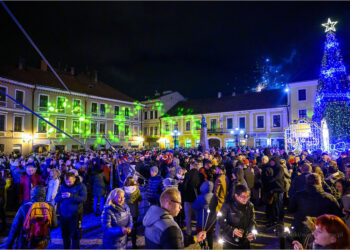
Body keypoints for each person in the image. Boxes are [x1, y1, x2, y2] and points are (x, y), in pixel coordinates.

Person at [288, 173, 342, 243]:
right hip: (322, 230)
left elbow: (290, 209)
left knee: (303, 245)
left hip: (301, 228)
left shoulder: (298, 195)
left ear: (307, 182)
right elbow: (337, 214)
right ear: (320, 183)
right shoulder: (329, 197)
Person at [55, 172, 87, 249]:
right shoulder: (63, 186)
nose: (68, 183)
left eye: (70, 181)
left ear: (74, 179)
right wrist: (61, 197)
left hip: (75, 215)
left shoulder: (81, 186)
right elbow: (56, 198)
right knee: (65, 235)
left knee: (75, 235)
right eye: (67, 182)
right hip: (63, 215)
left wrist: (71, 196)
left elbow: (83, 199)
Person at [219, 184, 256, 249]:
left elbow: (252, 221)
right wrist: (232, 230)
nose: (245, 199)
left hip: (245, 241)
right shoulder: (227, 205)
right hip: (229, 242)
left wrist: (251, 233)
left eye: (247, 196)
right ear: (236, 196)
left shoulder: (250, 206)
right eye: (243, 196)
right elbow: (221, 221)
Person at [192, 181, 214, 249]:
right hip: (211, 221)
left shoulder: (201, 197)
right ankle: (210, 247)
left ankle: (203, 246)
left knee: (201, 235)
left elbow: (194, 206)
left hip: (201, 221)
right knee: (210, 235)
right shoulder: (214, 196)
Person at [123, 176, 142, 248]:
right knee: (133, 227)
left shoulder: (123, 189)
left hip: (125, 211)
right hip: (134, 211)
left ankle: (124, 244)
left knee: (125, 226)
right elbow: (140, 198)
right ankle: (134, 244)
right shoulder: (136, 189)